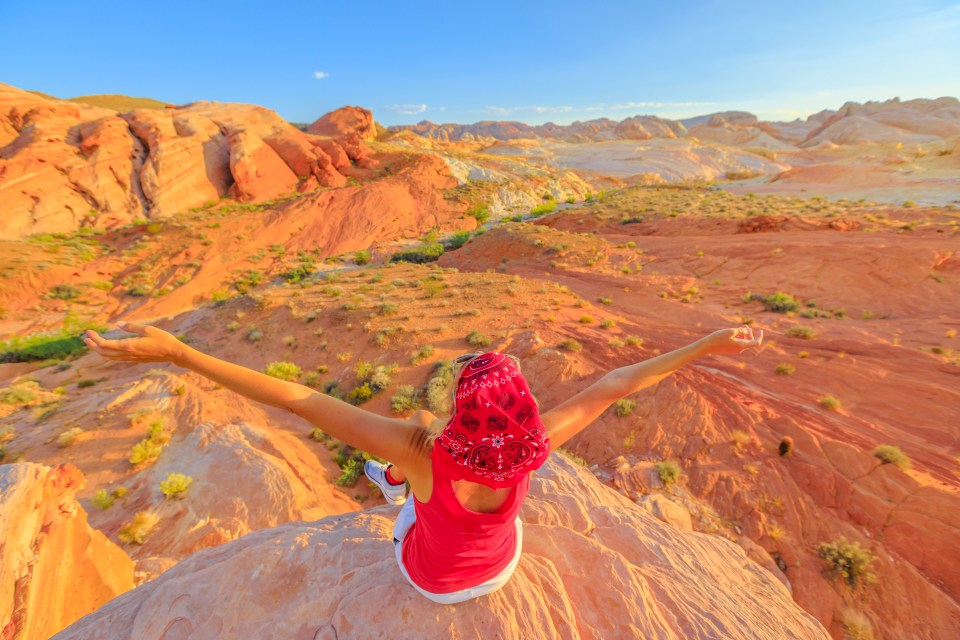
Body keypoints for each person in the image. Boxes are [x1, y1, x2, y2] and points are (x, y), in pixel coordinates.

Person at [83, 322, 762, 604]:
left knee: (403, 491)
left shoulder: (424, 450)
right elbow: (616, 385)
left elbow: (303, 400)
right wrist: (707, 345)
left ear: (461, 411)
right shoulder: (537, 446)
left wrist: (179, 353)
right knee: (491, 515)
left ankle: (392, 491)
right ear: (523, 412)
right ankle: (404, 494)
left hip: (429, 580)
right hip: (496, 572)